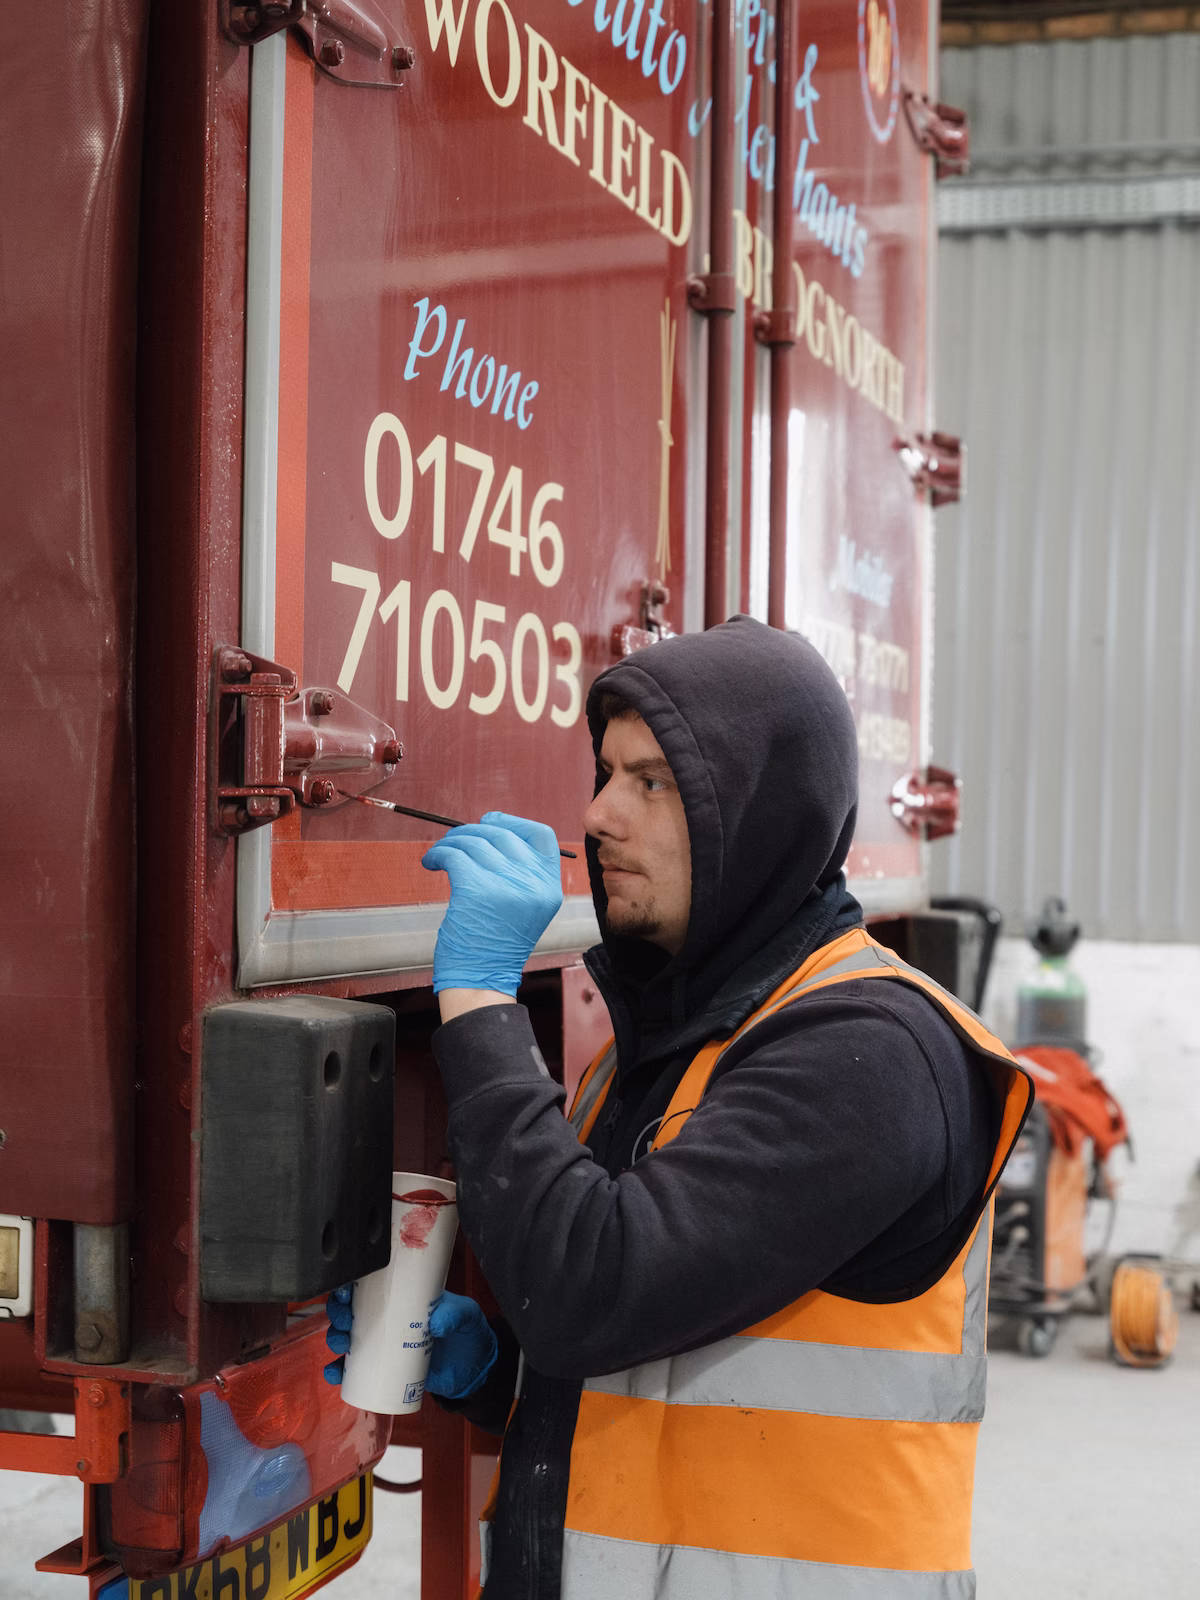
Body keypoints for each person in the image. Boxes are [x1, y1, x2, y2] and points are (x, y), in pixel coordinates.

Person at [326, 615, 1032, 1600]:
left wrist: (481, 1000)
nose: (602, 813)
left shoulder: (873, 1056)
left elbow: (598, 1288)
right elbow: (655, 1344)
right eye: (605, 772)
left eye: (653, 782)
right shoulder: (653, 1051)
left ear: (761, 814)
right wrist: (501, 1373)